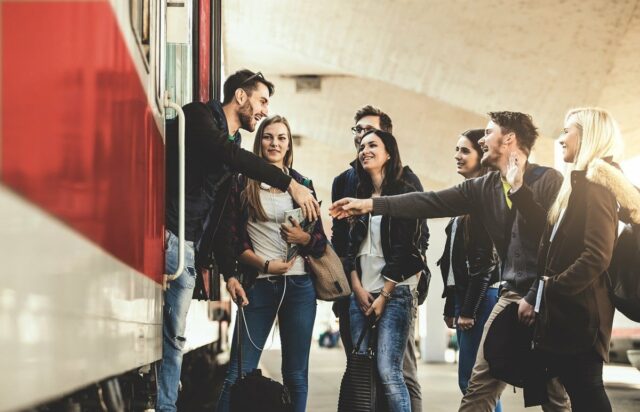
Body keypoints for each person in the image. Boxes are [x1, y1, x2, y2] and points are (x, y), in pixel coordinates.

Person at [331, 111, 571, 412]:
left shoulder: (549, 180)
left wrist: (535, 294)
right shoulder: (484, 188)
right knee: (478, 390)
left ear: (509, 138)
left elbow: (556, 246)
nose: (482, 139)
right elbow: (429, 201)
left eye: (488, 132)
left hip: (545, 298)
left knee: (552, 395)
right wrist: (370, 204)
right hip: (509, 296)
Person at [159, 70, 319, 411]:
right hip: (179, 239)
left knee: (176, 337)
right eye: (261, 101)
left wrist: (226, 272)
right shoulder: (199, 117)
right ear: (241, 97)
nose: (262, 109)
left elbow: (216, 220)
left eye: (282, 137)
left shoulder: (240, 149)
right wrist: (287, 183)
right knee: (184, 343)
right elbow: (230, 210)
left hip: (195, 249)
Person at [515, 108, 638, 411]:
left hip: (582, 316)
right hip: (570, 312)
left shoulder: (596, 185)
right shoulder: (578, 186)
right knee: (579, 393)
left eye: (567, 130)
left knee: (587, 394)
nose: (560, 138)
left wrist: (547, 288)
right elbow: (555, 245)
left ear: (588, 136)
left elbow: (596, 256)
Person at [215, 115, 326, 412]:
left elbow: (320, 244)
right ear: (259, 141)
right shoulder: (242, 182)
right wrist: (264, 265)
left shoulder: (303, 185)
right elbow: (232, 240)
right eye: (268, 136)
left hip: (300, 287)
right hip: (259, 287)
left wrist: (303, 237)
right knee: (238, 371)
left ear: (289, 145)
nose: (274, 143)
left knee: (296, 374)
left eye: (281, 138)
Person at [331, 105, 428, 411]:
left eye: (373, 141)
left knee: (392, 372)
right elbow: (346, 247)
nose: (364, 145)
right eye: (360, 140)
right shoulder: (351, 187)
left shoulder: (405, 188)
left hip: (395, 291)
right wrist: (356, 289)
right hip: (361, 292)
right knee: (361, 370)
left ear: (389, 148)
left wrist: (385, 295)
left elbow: (410, 248)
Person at [439, 129, 502, 411]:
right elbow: (453, 263)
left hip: (481, 300)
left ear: (481, 157)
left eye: (465, 151)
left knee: (475, 383)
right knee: (477, 382)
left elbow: (484, 265)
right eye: (456, 149)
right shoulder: (467, 200)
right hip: (469, 299)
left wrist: (467, 309)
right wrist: (452, 306)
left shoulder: (482, 202)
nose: (458, 155)